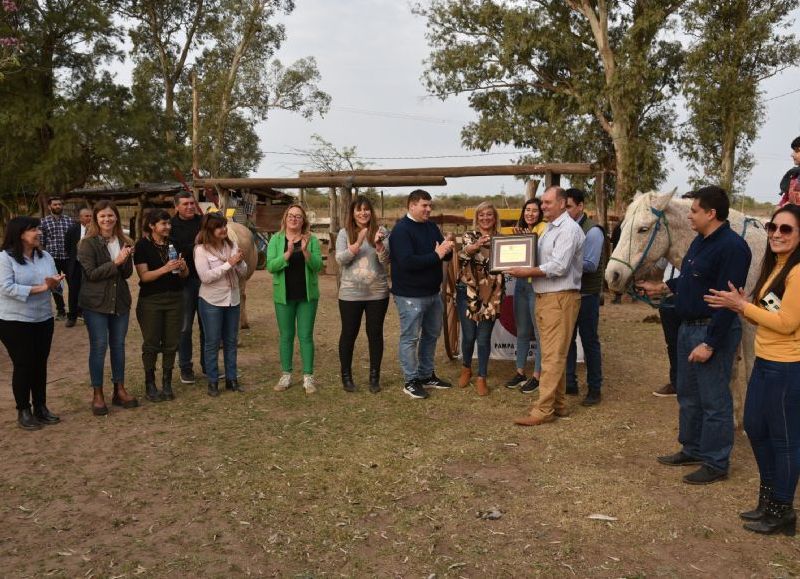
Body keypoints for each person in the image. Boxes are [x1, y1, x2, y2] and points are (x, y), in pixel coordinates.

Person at [638, 185, 751, 485]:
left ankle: (715, 462)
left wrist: (710, 343)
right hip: (688, 327)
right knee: (688, 395)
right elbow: (691, 280)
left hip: (710, 329)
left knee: (715, 401)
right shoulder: (700, 241)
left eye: (694, 210)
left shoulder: (733, 248)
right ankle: (693, 448)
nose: (689, 216)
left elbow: (728, 303)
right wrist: (662, 288)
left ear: (711, 213)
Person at [705, 204, 800, 535]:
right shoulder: (776, 266)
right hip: (766, 362)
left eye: (786, 229)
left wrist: (742, 306)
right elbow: (768, 314)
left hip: (787, 367)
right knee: (756, 428)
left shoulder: (798, 271)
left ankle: (782, 510)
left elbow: (788, 324)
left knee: (785, 440)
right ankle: (769, 499)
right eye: (773, 227)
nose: (776, 234)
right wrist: (744, 305)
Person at [506, 186, 584, 426]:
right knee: (555, 354)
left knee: (551, 356)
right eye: (542, 203)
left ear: (562, 203)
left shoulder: (568, 230)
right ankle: (557, 404)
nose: (543, 207)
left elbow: (558, 266)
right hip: (546, 297)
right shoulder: (550, 229)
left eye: (548, 203)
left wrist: (527, 271)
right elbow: (538, 258)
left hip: (559, 298)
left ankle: (543, 411)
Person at [389, 189, 454, 400]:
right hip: (410, 295)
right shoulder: (401, 231)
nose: (429, 209)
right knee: (410, 337)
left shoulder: (431, 227)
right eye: (424, 205)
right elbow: (407, 262)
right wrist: (437, 254)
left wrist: (447, 249)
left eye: (430, 205)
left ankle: (426, 375)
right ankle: (411, 380)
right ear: (412, 206)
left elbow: (443, 255)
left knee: (431, 334)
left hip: (432, 293)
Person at [0, 217, 64, 430]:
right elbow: (6, 288)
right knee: (24, 364)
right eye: (33, 229)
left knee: (40, 363)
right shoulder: (5, 258)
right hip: (14, 321)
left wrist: (55, 285)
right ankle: (23, 410)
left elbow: (56, 286)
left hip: (43, 318)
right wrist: (43, 288)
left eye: (38, 229)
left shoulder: (44, 256)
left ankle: (41, 407)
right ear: (19, 234)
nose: (38, 233)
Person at [77, 200, 139, 416]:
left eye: (110, 215)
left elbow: (127, 274)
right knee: (99, 346)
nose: (107, 219)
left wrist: (125, 260)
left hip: (120, 301)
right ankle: (98, 394)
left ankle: (119, 389)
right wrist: (116, 262)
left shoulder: (125, 240)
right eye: (102, 216)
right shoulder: (87, 243)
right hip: (95, 303)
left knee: (119, 346)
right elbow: (91, 274)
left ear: (116, 218)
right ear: (96, 218)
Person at [335, 195, 390, 393]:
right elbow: (341, 260)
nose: (363, 213)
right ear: (352, 213)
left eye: (366, 209)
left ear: (371, 212)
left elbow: (386, 261)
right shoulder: (344, 233)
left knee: (375, 334)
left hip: (377, 294)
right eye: (358, 209)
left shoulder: (381, 232)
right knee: (349, 334)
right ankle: (346, 376)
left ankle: (374, 377)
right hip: (350, 295)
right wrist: (357, 243)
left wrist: (379, 245)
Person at [268, 204, 323, 394]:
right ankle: (286, 375)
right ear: (285, 218)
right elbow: (270, 266)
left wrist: (306, 252)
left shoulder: (312, 240)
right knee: (286, 336)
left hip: (307, 296)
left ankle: (308, 377)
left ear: (303, 221)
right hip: (284, 296)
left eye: (298, 217)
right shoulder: (275, 240)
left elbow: (317, 267)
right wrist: (288, 253)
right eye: (291, 216)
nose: (294, 219)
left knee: (306, 336)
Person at [134, 210, 188, 402]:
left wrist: (182, 267)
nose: (168, 227)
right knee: (151, 343)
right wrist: (166, 268)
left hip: (175, 298)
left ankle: (167, 382)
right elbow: (144, 276)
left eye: (169, 223)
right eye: (163, 224)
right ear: (152, 225)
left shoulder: (175, 243)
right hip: (151, 300)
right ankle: (150, 383)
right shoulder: (142, 246)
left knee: (171, 342)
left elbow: (185, 274)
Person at [194, 212, 248, 397]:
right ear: (209, 230)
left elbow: (243, 271)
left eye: (224, 225)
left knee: (231, 341)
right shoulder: (201, 250)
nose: (223, 229)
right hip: (211, 301)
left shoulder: (231, 246)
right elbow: (205, 277)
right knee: (212, 342)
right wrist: (228, 264)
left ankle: (232, 379)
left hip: (232, 299)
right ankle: (213, 381)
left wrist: (239, 263)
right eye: (219, 226)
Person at [564, 187, 607, 406]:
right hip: (569, 293)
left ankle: (594, 388)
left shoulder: (592, 231)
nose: (565, 210)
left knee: (589, 341)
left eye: (569, 206)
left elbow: (590, 265)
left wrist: (561, 261)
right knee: (568, 340)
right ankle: (569, 382)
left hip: (587, 294)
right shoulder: (566, 228)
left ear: (581, 207)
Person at [456, 201, 504, 396]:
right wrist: (476, 245)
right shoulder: (469, 236)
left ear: (495, 218)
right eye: (481, 215)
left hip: (492, 293)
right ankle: (466, 367)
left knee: (483, 338)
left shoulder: (501, 240)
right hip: (468, 291)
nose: (485, 218)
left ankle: (482, 376)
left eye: (489, 215)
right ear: (477, 218)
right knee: (469, 336)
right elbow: (464, 255)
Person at [506, 197, 547, 393]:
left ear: (541, 213)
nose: (530, 214)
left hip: (536, 286)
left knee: (539, 334)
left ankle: (537, 376)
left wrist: (528, 239)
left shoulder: (545, 229)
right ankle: (520, 372)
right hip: (520, 285)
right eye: (527, 210)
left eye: (534, 210)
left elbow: (542, 257)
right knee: (522, 331)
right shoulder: (519, 230)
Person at [170, 192, 205, 384]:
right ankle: (186, 367)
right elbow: (177, 251)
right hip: (184, 283)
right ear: (176, 206)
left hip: (206, 280)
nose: (190, 207)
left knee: (207, 326)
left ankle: (208, 365)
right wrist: (197, 242)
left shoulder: (203, 221)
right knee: (184, 327)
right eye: (185, 204)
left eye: (192, 203)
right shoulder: (170, 226)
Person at [40, 196, 75, 320]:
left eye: (60, 204)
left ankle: (76, 310)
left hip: (68, 257)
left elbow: (74, 239)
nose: (58, 206)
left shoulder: (70, 221)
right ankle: (61, 310)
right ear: (50, 206)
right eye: (55, 204)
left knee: (73, 284)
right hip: (52, 258)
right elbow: (42, 242)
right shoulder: (43, 222)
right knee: (56, 285)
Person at [64, 208, 92, 327]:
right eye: (86, 216)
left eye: (91, 216)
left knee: (89, 290)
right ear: (80, 218)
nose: (89, 218)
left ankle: (88, 315)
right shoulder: (72, 230)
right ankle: (72, 317)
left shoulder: (97, 230)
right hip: (76, 265)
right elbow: (67, 246)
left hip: (90, 266)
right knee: (74, 290)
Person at [778, 136, 800, 207]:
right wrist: (780, 208)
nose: (792, 155)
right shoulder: (793, 175)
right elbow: (784, 200)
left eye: (796, 151)